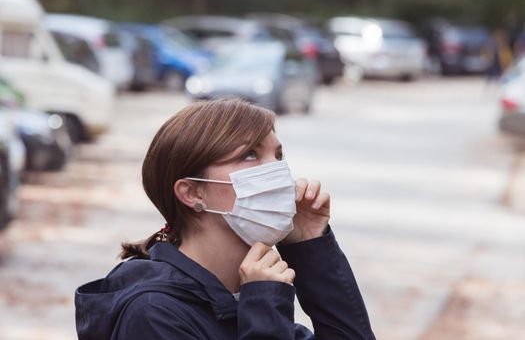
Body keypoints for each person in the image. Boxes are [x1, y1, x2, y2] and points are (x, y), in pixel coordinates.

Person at [74, 98, 376, 340]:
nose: (277, 172)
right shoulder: (153, 314)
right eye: (250, 156)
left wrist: (309, 246)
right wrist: (265, 306)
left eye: (278, 156)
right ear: (192, 192)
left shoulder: (240, 296)